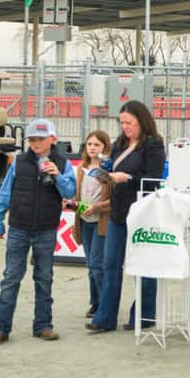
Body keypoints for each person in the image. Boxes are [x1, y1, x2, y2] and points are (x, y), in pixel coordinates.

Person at [0, 118, 76, 344]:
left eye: (41, 139)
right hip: (18, 228)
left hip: (46, 229)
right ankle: (0, 328)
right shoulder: (19, 162)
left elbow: (70, 191)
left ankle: (43, 325)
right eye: (32, 139)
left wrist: (57, 175)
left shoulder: (63, 163)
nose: (36, 143)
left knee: (44, 278)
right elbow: (5, 193)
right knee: (11, 278)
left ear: (53, 139)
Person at [88, 100, 166, 333]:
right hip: (119, 212)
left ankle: (144, 315)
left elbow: (153, 179)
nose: (125, 127)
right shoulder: (121, 142)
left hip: (142, 212)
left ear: (142, 121)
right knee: (110, 264)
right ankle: (105, 318)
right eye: (122, 123)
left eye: (129, 123)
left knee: (144, 266)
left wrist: (128, 178)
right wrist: (108, 173)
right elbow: (115, 167)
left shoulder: (154, 146)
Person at [68, 129, 112, 318]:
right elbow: (77, 195)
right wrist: (74, 205)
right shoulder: (81, 168)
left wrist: (96, 207)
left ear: (105, 147)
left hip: (101, 222)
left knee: (97, 264)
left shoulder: (108, 169)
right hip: (84, 221)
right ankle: (95, 302)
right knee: (91, 265)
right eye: (90, 144)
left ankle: (106, 304)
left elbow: (113, 200)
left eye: (97, 145)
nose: (92, 148)